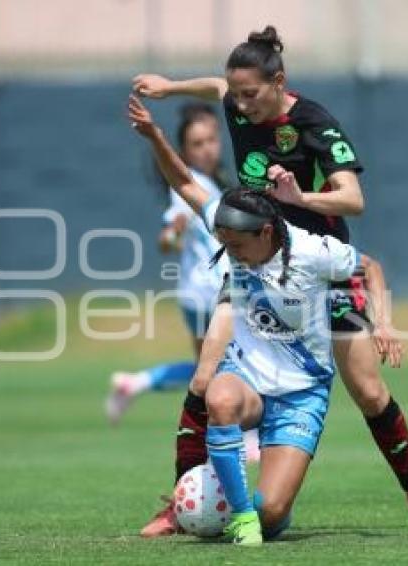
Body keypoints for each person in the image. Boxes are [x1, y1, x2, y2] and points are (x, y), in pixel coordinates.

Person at [132, 25, 408, 532]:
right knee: (203, 378)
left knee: (368, 392)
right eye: (234, 94)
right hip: (251, 258)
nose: (239, 105)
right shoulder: (237, 100)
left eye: (250, 94)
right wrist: (169, 88)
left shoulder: (315, 124)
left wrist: (302, 202)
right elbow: (216, 90)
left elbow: (354, 200)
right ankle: (180, 504)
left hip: (319, 267)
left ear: (278, 82)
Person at [130, 94, 367, 545]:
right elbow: (182, 181)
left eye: (237, 245)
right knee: (210, 390)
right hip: (250, 378)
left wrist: (385, 325)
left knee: (273, 513)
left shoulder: (311, 251)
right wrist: (155, 136)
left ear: (265, 233)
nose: (229, 252)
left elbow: (367, 267)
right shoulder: (232, 226)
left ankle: (258, 514)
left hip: (301, 392)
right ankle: (230, 514)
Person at [105, 104, 262, 468]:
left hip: (195, 293)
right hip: (214, 293)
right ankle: (250, 438)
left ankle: (137, 383)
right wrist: (172, 231)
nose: (207, 148)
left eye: (211, 139)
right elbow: (173, 226)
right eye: (197, 143)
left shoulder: (214, 180)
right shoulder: (189, 185)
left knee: (204, 370)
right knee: (243, 363)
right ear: (184, 152)